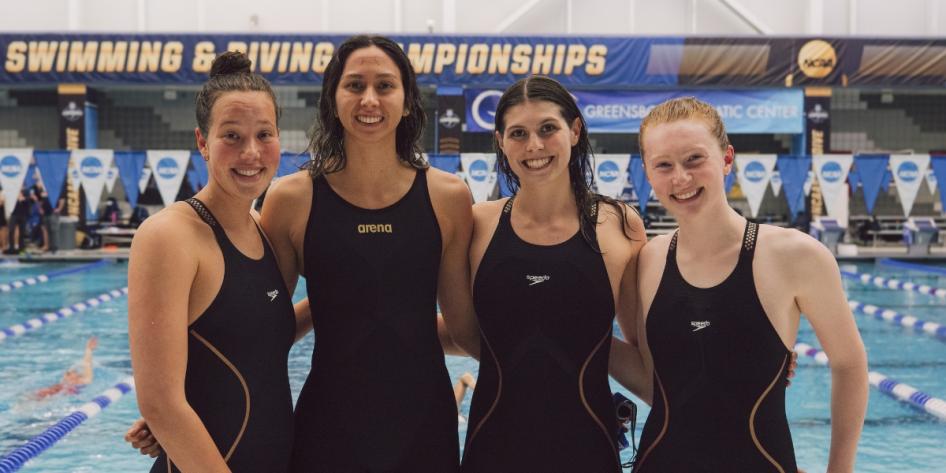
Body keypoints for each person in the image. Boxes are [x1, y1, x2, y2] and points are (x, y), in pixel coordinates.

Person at [261, 34, 479, 473]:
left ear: (408, 100)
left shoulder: (448, 196)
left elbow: (464, 329)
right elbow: (264, 329)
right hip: (327, 427)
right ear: (332, 97)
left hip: (424, 426)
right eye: (355, 85)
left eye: (385, 85)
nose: (369, 100)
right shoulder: (291, 199)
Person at [631, 97, 868, 472]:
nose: (681, 178)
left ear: (726, 159)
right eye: (664, 165)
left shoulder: (796, 255)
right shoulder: (649, 259)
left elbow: (849, 364)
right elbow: (653, 379)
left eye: (694, 159)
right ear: (647, 172)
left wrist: (840, 470)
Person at [459, 76, 647, 473]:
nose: (534, 145)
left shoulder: (618, 224)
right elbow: (462, 330)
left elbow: (641, 353)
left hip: (588, 448)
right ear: (500, 141)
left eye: (548, 128)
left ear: (574, 130)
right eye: (518, 133)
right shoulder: (477, 223)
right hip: (492, 447)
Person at [128, 51, 297, 473]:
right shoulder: (169, 236)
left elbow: (254, 333)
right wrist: (165, 421)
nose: (251, 152)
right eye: (232, 136)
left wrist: (343, 303)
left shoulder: (262, 230)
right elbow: (161, 404)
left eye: (264, 134)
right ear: (202, 142)